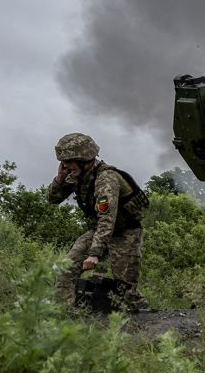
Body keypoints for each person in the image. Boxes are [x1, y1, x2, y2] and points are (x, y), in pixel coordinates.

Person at [47, 132, 150, 310]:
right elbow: (52, 199)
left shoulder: (106, 179)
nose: (64, 165)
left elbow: (107, 218)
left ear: (83, 159)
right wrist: (59, 179)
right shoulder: (77, 175)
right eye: (62, 162)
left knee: (125, 288)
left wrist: (94, 253)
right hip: (99, 231)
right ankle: (62, 316)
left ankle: (147, 322)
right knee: (66, 268)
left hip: (125, 233)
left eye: (68, 161)